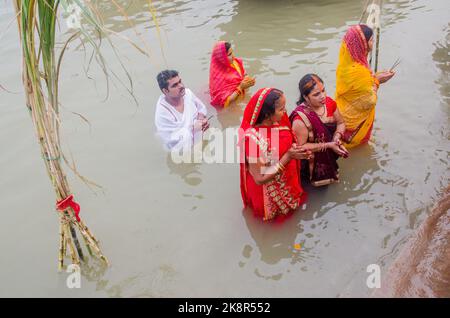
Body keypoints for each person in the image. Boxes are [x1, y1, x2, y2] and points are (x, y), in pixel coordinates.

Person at [239, 88, 309, 221]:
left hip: (287, 180)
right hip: (268, 192)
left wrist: (297, 152)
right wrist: (288, 156)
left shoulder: (279, 121)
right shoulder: (252, 140)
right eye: (281, 109)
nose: (285, 112)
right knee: (276, 224)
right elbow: (260, 178)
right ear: (267, 114)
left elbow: (286, 142)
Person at [335, 24, 395, 148]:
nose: (373, 43)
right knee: (354, 147)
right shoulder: (359, 72)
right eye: (371, 40)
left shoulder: (345, 62)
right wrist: (377, 81)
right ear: (363, 44)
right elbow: (369, 101)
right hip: (354, 123)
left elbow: (358, 89)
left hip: (341, 112)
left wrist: (373, 78)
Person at [289, 74, 349, 187]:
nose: (323, 96)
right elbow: (300, 147)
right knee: (310, 187)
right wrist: (329, 145)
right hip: (310, 163)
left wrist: (336, 137)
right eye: (316, 94)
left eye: (323, 90)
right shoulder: (301, 118)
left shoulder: (330, 103)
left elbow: (341, 123)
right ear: (306, 97)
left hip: (329, 153)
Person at [155, 70, 209, 151]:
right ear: (165, 91)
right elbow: (170, 139)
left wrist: (202, 120)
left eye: (180, 81)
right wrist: (193, 129)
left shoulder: (188, 94)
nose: (181, 86)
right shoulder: (163, 113)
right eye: (175, 85)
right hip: (180, 152)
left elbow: (201, 108)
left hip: (199, 140)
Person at [209, 41, 255, 108]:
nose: (233, 56)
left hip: (241, 96)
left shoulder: (234, 62)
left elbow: (243, 73)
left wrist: (247, 79)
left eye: (232, 52)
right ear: (222, 58)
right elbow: (224, 102)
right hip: (232, 105)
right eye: (230, 54)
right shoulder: (217, 78)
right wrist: (240, 87)